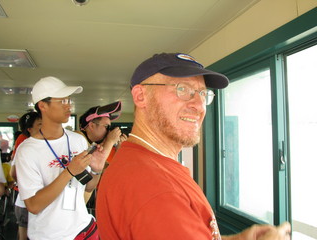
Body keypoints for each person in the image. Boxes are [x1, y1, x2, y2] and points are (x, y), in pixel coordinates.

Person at [95, 53, 291, 240]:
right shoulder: (152, 186)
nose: (199, 105)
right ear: (140, 96)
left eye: (203, 93)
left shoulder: (147, 162)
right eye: (183, 89)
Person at [15, 76, 107, 240]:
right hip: (50, 235)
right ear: (43, 106)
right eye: (62, 101)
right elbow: (33, 206)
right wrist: (69, 171)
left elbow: (87, 186)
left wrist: (96, 170)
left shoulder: (77, 140)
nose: (69, 105)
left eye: (69, 100)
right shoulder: (27, 150)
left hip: (84, 228)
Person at [78, 101, 127, 204]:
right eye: (106, 127)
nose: (108, 132)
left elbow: (108, 172)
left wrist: (119, 150)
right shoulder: (78, 139)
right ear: (91, 125)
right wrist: (110, 141)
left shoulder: (93, 146)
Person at [10, 111, 42, 240]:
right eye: (40, 124)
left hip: (29, 201)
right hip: (27, 201)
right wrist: (27, 184)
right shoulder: (25, 144)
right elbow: (13, 173)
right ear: (29, 129)